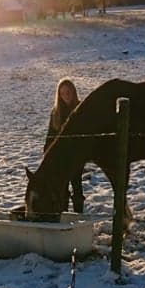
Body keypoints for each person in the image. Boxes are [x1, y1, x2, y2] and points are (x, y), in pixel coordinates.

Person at [44, 78, 85, 213]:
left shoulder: (80, 109)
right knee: (62, 186)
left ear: (73, 92)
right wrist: (47, 153)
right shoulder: (56, 112)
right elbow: (50, 135)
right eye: (62, 93)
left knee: (77, 184)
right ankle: (64, 213)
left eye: (68, 92)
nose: (66, 95)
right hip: (61, 157)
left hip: (76, 155)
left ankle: (79, 213)